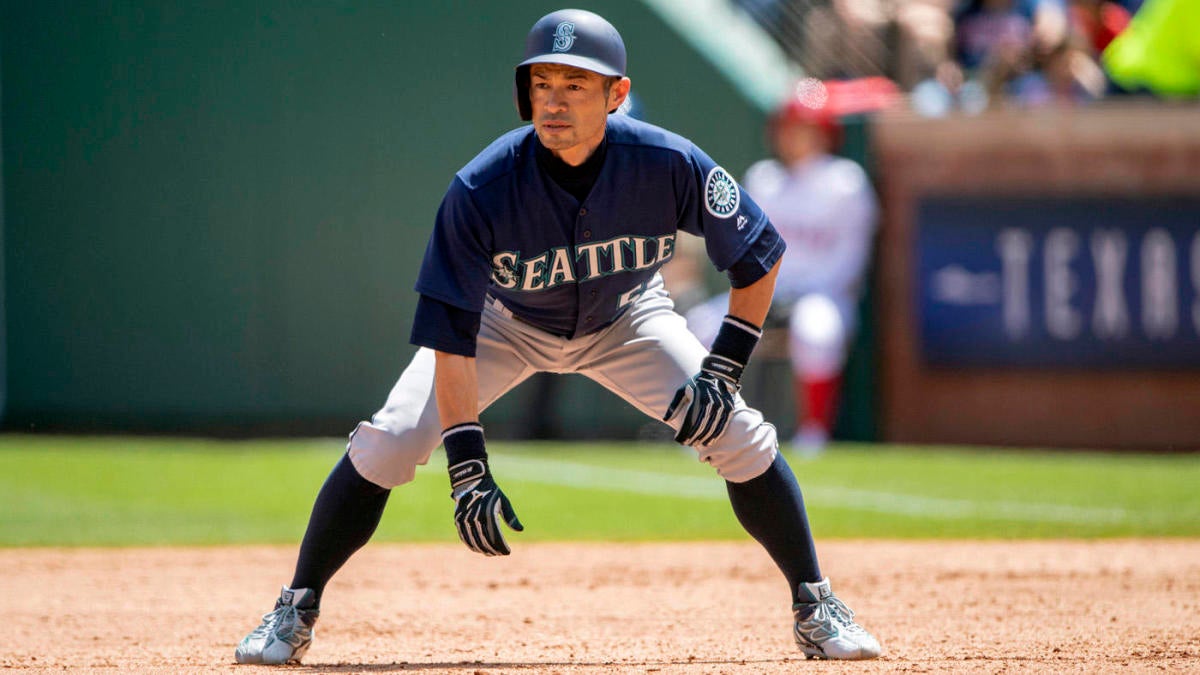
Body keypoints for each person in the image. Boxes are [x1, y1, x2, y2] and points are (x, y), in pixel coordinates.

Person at [233, 9, 881, 666]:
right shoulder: (481, 189)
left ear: (617, 95)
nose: (555, 100)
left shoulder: (665, 162)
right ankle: (294, 607)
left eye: (576, 83)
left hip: (630, 318)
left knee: (738, 434)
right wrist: (466, 463)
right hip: (502, 324)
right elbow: (451, 337)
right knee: (393, 441)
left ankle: (815, 603)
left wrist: (725, 366)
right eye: (543, 83)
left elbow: (759, 254)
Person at [686, 78, 880, 455]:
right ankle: (704, 423)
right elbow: (741, 248)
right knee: (700, 325)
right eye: (789, 127)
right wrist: (765, 293)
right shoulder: (764, 178)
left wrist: (795, 295)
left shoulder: (846, 182)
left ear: (824, 132)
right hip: (767, 292)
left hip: (822, 294)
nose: (794, 137)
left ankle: (814, 434)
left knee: (816, 331)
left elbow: (851, 261)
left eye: (804, 128)